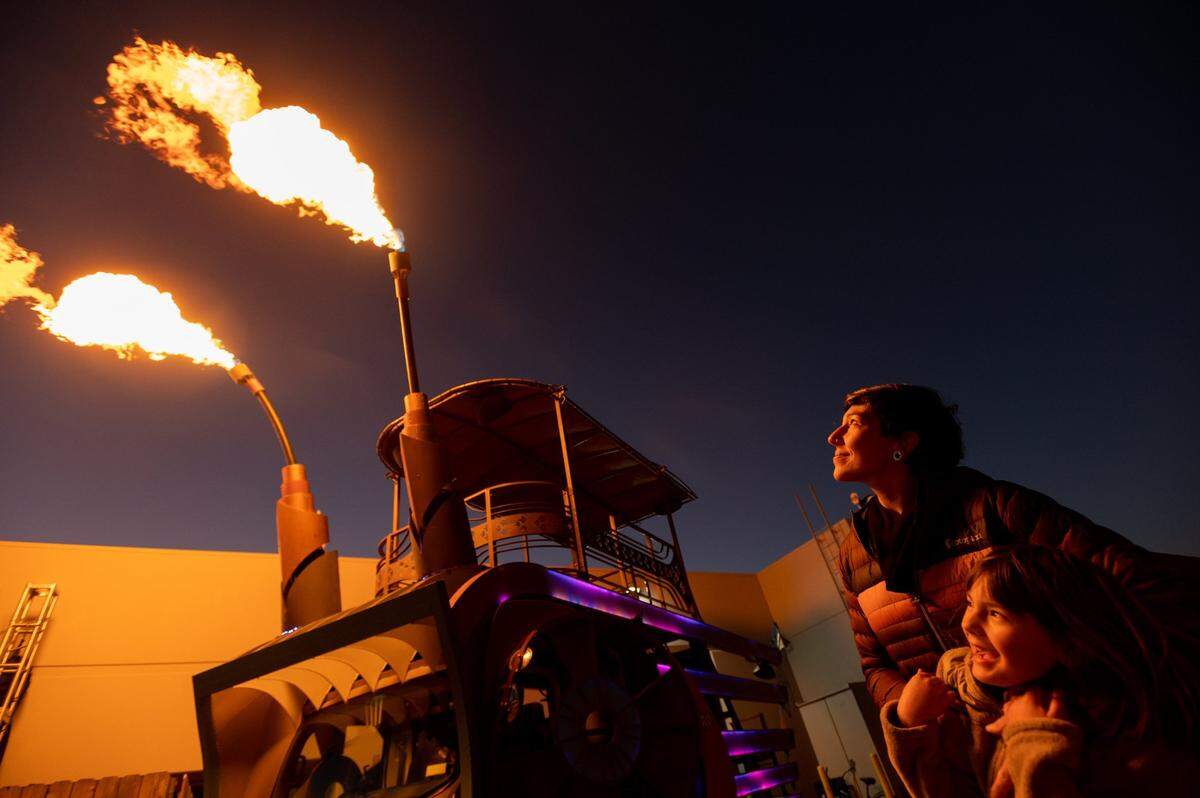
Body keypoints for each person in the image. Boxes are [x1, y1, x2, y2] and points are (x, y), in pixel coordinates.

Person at [829, 383, 1193, 708]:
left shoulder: (993, 508)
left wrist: (1072, 689)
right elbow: (875, 665)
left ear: (903, 444)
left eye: (854, 423)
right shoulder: (854, 552)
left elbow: (1132, 578)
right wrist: (909, 712)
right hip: (960, 750)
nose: (834, 437)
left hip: (1046, 729)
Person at [880, 546, 1198, 797]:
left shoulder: (1130, 743)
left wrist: (1033, 743)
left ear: (1069, 639)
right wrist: (910, 726)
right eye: (970, 603)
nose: (968, 623)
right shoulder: (958, 693)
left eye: (996, 613)